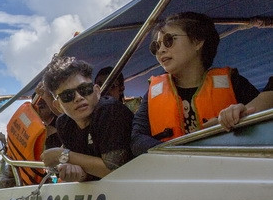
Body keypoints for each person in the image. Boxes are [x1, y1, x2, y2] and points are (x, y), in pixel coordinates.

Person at [131, 11, 259, 156]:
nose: (160, 50)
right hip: (175, 172)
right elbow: (137, 140)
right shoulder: (152, 93)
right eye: (156, 46)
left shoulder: (235, 83)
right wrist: (178, 154)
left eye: (169, 40)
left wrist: (242, 114)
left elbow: (262, 118)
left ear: (197, 41)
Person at [40, 56, 133, 182]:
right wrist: (80, 174)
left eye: (85, 89)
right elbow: (85, 170)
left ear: (97, 91)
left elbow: (116, 170)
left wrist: (63, 155)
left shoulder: (110, 111)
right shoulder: (64, 124)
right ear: (58, 106)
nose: (78, 97)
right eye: (68, 95)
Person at [0, 83, 62, 187]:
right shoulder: (33, 130)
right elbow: (22, 152)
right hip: (32, 181)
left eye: (44, 101)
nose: (40, 105)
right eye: (37, 102)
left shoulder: (63, 123)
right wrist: (3, 147)